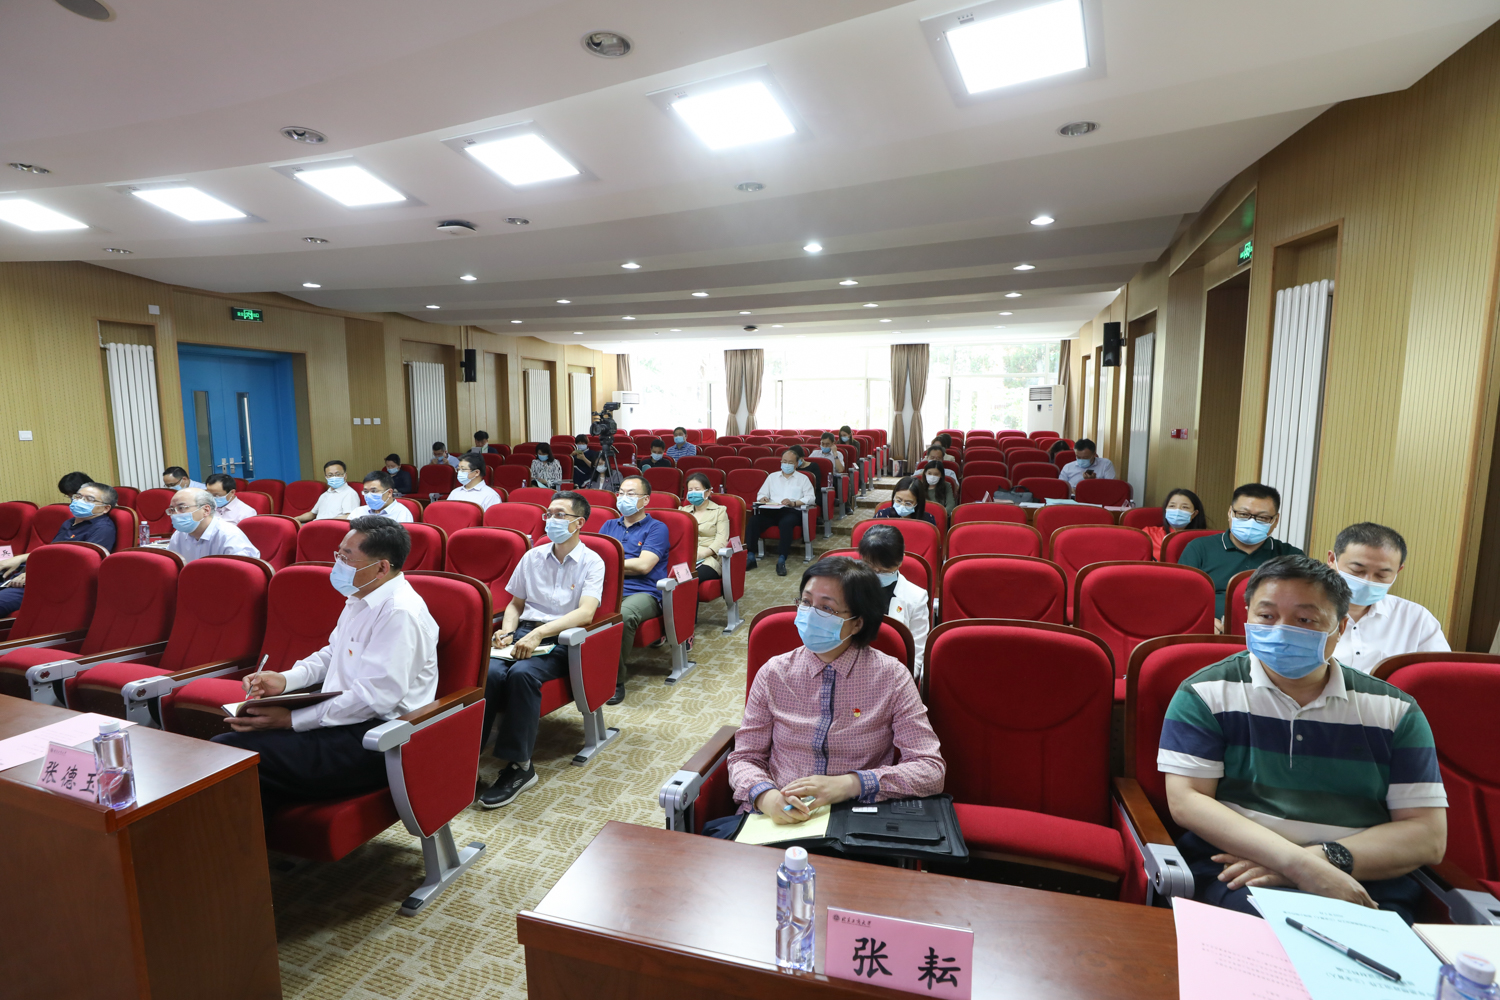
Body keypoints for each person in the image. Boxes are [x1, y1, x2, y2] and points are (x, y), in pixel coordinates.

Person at [1158, 555, 1447, 922]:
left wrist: (1316, 863)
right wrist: (1298, 866)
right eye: (1266, 616)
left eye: (1305, 620)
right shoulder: (1206, 692)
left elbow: (1427, 835)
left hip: (1361, 877)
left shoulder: (1394, 710)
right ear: (1246, 617)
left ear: (1341, 627)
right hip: (1240, 872)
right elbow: (1187, 801)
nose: (1281, 631)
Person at [213, 518, 438, 817]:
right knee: (231, 749)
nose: (338, 564)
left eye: (347, 557)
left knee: (231, 754)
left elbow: (375, 699)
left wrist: (291, 720)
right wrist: (285, 680)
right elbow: (333, 653)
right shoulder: (361, 596)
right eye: (338, 554)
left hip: (377, 738)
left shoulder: (399, 613)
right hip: (340, 719)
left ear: (382, 568)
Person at [707, 557, 944, 837]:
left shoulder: (891, 677)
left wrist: (851, 784)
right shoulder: (774, 673)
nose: (810, 614)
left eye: (826, 608)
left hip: (855, 819)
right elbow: (746, 757)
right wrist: (766, 797)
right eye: (806, 602)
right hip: (775, 818)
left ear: (857, 623)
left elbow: (930, 769)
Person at [478, 492, 605, 808]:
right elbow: (515, 604)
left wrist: (539, 634)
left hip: (562, 640)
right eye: (549, 514)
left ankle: (520, 766)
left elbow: (586, 613)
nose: (551, 520)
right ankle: (468, 754)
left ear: (579, 522)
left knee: (522, 674)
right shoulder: (532, 556)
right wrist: (507, 632)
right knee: (489, 672)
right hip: (524, 633)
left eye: (560, 515)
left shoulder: (592, 561)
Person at [1329, 522, 1448, 673]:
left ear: (1398, 571)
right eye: (1357, 570)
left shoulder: (1416, 618)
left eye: (1382, 575)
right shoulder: (1304, 612)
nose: (1368, 581)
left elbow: (1440, 674)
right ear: (1331, 560)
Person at [1180, 483, 1304, 626]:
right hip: (1211, 632)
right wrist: (1203, 623)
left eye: (1263, 517)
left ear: (1275, 520)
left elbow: (1303, 606)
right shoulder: (1199, 548)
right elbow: (1180, 599)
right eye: (1243, 515)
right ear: (1230, 513)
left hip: (1271, 632)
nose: (1251, 522)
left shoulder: (1292, 557)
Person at [598, 475, 669, 705]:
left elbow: (643, 566)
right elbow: (595, 561)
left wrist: (610, 563)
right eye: (620, 493)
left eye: (630, 494)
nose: (623, 498)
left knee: (624, 615)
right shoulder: (609, 525)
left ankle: (614, 681)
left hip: (644, 592)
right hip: (608, 588)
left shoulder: (657, 528)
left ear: (645, 499)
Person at [0, 482, 117, 615]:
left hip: (49, 585)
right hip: (27, 576)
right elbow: (52, 553)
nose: (80, 501)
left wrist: (35, 574)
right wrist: (20, 558)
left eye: (89, 499)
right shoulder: (70, 523)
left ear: (105, 508)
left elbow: (81, 566)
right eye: (78, 496)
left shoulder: (103, 529)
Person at [858, 525, 930, 677]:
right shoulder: (846, 588)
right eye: (870, 567)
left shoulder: (916, 597)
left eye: (884, 570)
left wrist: (901, 681)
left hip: (893, 673)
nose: (877, 573)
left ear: (900, 560)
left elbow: (916, 653)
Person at [745, 449, 815, 576]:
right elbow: (761, 494)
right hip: (772, 510)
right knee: (754, 521)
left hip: (791, 511)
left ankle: (782, 560)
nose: (786, 464)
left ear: (797, 464)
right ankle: (750, 557)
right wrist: (763, 498)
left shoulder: (803, 479)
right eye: (784, 461)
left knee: (785, 523)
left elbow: (811, 498)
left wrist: (794, 503)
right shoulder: (772, 477)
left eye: (790, 462)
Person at [166, 487, 261, 564]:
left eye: (181, 508)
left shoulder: (229, 536)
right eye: (172, 510)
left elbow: (242, 574)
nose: (175, 514)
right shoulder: (179, 534)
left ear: (206, 510)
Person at [680, 472, 729, 584]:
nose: (693, 493)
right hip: (684, 557)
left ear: (708, 492)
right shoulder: (683, 511)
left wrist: (700, 555)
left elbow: (721, 540)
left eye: (697, 489)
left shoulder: (719, 511)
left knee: (686, 580)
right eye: (690, 490)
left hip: (708, 559)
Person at [1141, 488, 1206, 557]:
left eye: (1185, 507)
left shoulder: (1203, 540)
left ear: (1194, 514)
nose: (1177, 511)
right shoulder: (1148, 534)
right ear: (1166, 510)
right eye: (1172, 506)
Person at [294, 460, 362, 523]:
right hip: (316, 525)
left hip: (332, 527)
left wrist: (324, 522)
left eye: (338, 474)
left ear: (345, 476)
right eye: (330, 475)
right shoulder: (324, 495)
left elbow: (350, 516)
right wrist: (295, 519)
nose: (334, 477)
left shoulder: (350, 493)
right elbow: (312, 514)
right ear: (326, 477)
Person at [344, 471, 412, 522]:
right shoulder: (358, 512)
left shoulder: (402, 514)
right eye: (366, 491)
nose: (369, 495)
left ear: (389, 492)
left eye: (374, 491)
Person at [873, 477, 938, 526]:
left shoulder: (927, 521)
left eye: (908, 503)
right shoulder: (882, 516)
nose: (902, 505)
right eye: (899, 500)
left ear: (918, 503)